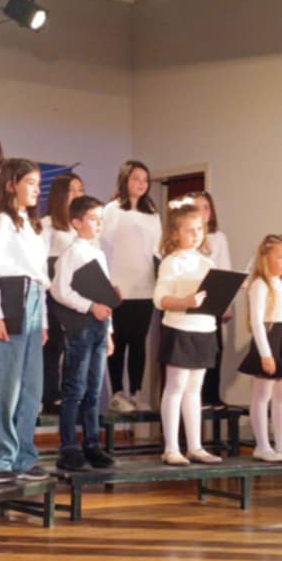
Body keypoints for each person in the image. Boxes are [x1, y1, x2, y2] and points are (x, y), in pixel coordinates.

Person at [0, 158, 51, 484]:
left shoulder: (32, 226)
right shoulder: (1, 223)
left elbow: (40, 277)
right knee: (5, 385)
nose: (36, 190)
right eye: (30, 183)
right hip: (12, 299)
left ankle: (24, 457)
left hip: (33, 300)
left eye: (38, 184)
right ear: (11, 185)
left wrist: (43, 319)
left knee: (31, 387)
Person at [49, 195, 117, 472]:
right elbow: (60, 290)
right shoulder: (72, 253)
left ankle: (92, 443)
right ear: (76, 222)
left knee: (93, 390)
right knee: (74, 389)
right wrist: (90, 306)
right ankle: (68, 447)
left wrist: (109, 330)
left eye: (101, 219)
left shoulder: (98, 253)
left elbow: (105, 296)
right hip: (81, 327)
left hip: (99, 327)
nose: (99, 224)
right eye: (93, 219)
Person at [153, 199, 221, 466]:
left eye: (199, 229)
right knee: (176, 387)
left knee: (195, 389)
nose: (196, 234)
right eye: (189, 230)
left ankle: (195, 446)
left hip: (204, 328)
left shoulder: (207, 262)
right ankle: (171, 447)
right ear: (174, 234)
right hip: (180, 329)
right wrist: (185, 302)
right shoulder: (171, 262)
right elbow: (160, 298)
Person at [101, 160, 161, 413]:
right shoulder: (112, 210)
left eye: (145, 180)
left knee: (138, 343)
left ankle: (136, 392)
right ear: (125, 180)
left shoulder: (152, 213)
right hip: (118, 287)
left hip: (145, 287)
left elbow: (157, 250)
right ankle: (117, 393)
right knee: (118, 342)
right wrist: (106, 284)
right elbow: (103, 246)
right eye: (136, 178)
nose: (141, 184)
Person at [238, 234, 282, 462]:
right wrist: (266, 354)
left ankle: (281, 445)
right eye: (280, 257)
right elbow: (257, 322)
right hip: (269, 340)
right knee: (262, 395)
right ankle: (262, 446)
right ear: (266, 258)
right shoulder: (260, 285)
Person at [39, 172, 84, 414]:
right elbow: (39, 261)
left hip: (77, 292)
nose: (77, 194)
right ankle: (50, 395)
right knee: (53, 344)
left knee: (73, 345)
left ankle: (70, 394)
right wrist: (50, 287)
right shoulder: (47, 224)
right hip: (53, 291)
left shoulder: (81, 226)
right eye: (72, 189)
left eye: (80, 189)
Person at [194, 191, 233, 408]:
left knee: (216, 347)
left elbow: (225, 270)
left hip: (214, 299)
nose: (202, 212)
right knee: (197, 348)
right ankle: (197, 395)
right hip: (193, 300)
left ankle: (212, 394)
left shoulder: (219, 237)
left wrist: (227, 304)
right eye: (197, 207)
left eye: (206, 207)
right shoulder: (186, 237)